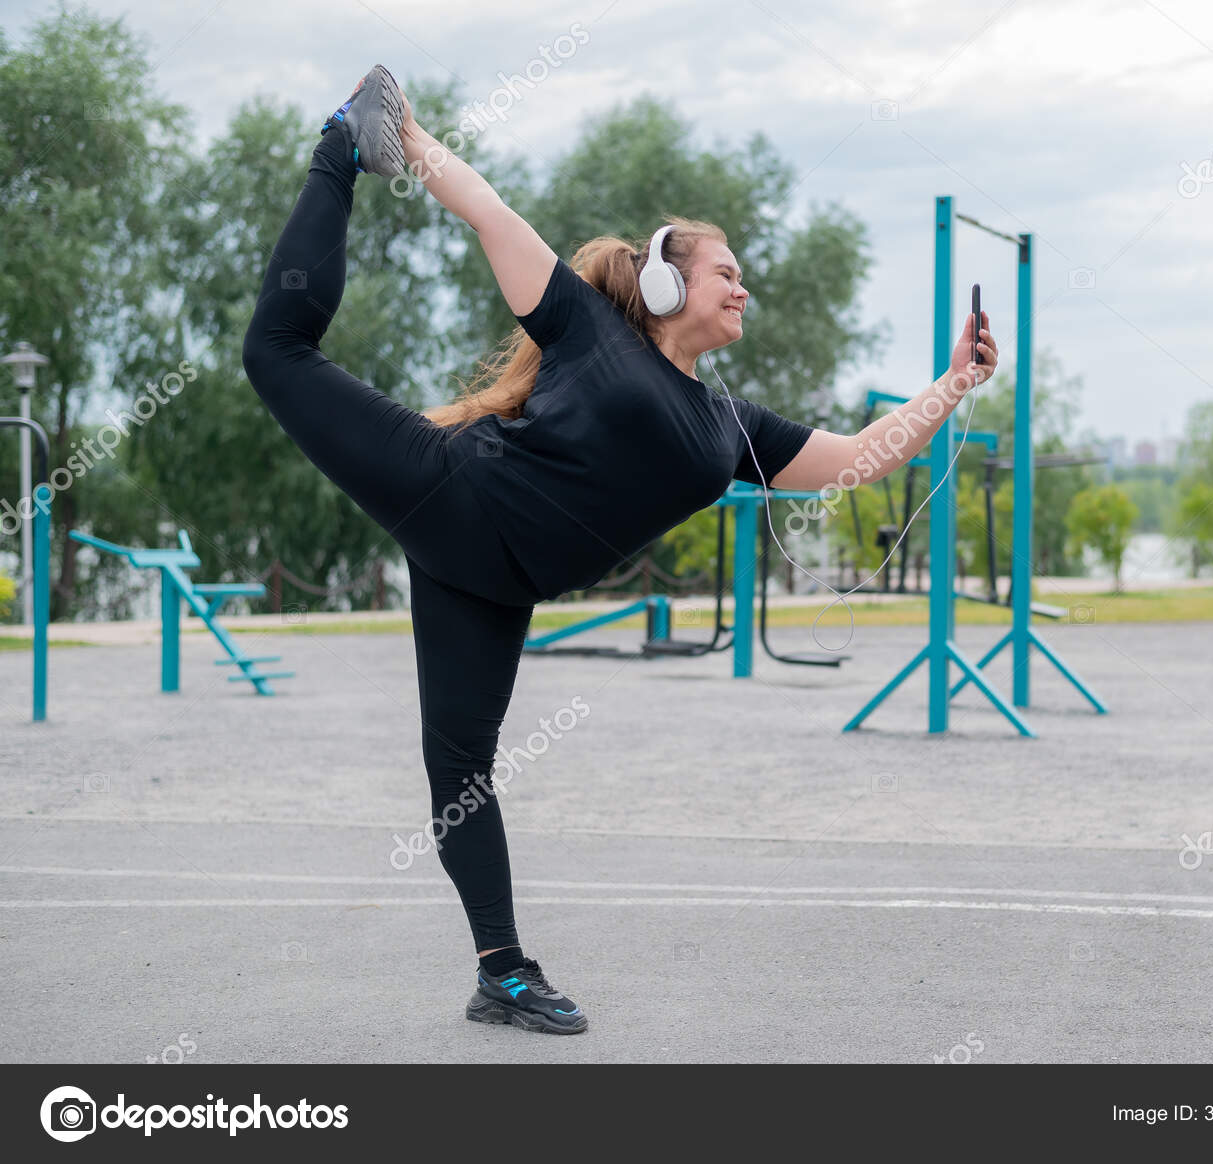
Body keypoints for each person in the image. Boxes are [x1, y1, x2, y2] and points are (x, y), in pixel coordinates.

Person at [241, 65, 998, 1036]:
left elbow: (854, 461)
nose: (745, 287)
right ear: (665, 278)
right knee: (276, 354)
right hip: (447, 489)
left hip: (490, 580)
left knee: (460, 773)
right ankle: (337, 148)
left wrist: (949, 381)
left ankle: (500, 975)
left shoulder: (731, 426)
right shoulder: (585, 324)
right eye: (728, 271)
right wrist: (402, 137)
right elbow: (490, 214)